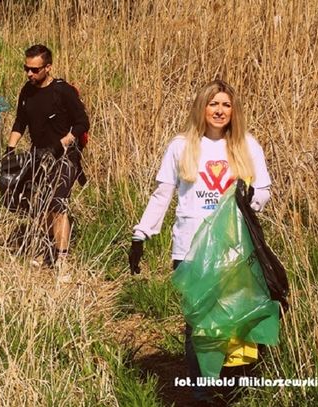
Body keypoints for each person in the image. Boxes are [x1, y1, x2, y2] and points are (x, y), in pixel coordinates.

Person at [128, 79, 272, 401]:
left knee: (234, 322)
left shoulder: (247, 145)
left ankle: (232, 389)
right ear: (202, 107)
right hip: (190, 248)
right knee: (197, 326)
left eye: (225, 105)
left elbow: (264, 189)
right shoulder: (181, 145)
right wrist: (142, 232)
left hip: (234, 249)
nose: (219, 111)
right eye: (213, 104)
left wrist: (252, 199)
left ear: (233, 110)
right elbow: (163, 193)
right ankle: (201, 393)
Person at [6, 44, 90, 270]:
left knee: (57, 204)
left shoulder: (63, 92)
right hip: (38, 155)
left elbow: (83, 123)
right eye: (26, 68)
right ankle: (46, 248)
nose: (29, 74)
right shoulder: (27, 90)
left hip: (64, 157)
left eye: (34, 70)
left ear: (48, 67)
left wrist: (61, 144)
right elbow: (20, 122)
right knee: (41, 206)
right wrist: (10, 150)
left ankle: (62, 261)